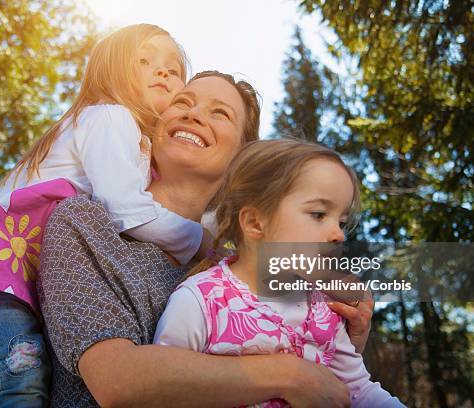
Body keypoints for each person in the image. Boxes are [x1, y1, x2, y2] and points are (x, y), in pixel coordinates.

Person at [39, 71, 374, 407]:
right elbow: (115, 381)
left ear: (243, 157)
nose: (194, 114)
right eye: (182, 102)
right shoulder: (84, 222)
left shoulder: (247, 262)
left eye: (220, 113)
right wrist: (289, 374)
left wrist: (342, 338)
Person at [0, 23, 211, 406]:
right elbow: (129, 212)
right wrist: (201, 241)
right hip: (1, 277)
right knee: (20, 384)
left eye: (173, 70)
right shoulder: (109, 117)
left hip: (17, 275)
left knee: (34, 380)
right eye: (145, 61)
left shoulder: (131, 141)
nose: (162, 72)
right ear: (112, 70)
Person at [154, 139, 404, 407]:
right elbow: (164, 387)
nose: (339, 234)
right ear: (255, 222)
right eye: (319, 214)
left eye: (341, 221)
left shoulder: (324, 306)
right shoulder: (201, 301)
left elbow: (360, 392)